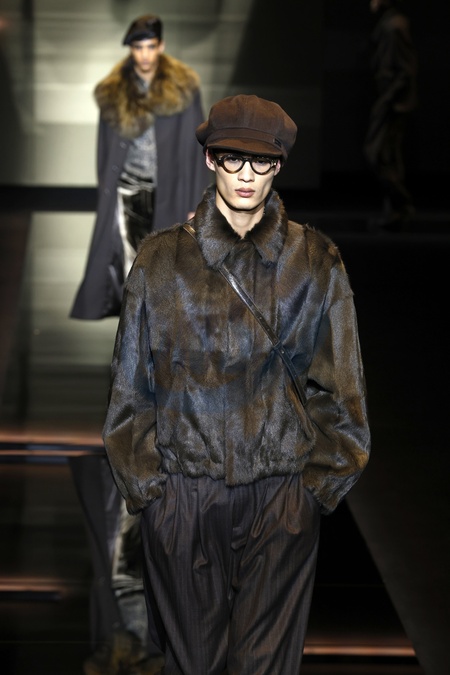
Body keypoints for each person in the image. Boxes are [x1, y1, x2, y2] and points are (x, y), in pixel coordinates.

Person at [103, 94, 371, 674]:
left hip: (280, 497)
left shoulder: (315, 262)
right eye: (233, 158)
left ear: (279, 165)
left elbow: (343, 392)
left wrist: (312, 494)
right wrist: (153, 496)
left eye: (262, 160)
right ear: (210, 160)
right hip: (184, 497)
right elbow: (130, 390)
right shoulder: (160, 261)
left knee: (265, 667)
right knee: (194, 664)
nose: (247, 174)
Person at [68, 13, 209, 675]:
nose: (147, 54)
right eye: (140, 46)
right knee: (133, 284)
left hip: (169, 199)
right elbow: (107, 157)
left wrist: (197, 206)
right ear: (131, 51)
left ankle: (150, 364)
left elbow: (196, 152)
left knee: (163, 283)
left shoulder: (184, 89)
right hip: (127, 197)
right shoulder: (111, 93)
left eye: (153, 45)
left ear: (161, 48)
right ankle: (135, 365)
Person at [364, 0, 418, 232]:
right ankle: (396, 211)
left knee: (378, 154)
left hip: (393, 103)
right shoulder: (389, 25)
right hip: (391, 101)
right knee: (387, 156)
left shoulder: (393, 26)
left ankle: (401, 206)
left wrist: (387, 100)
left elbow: (405, 70)